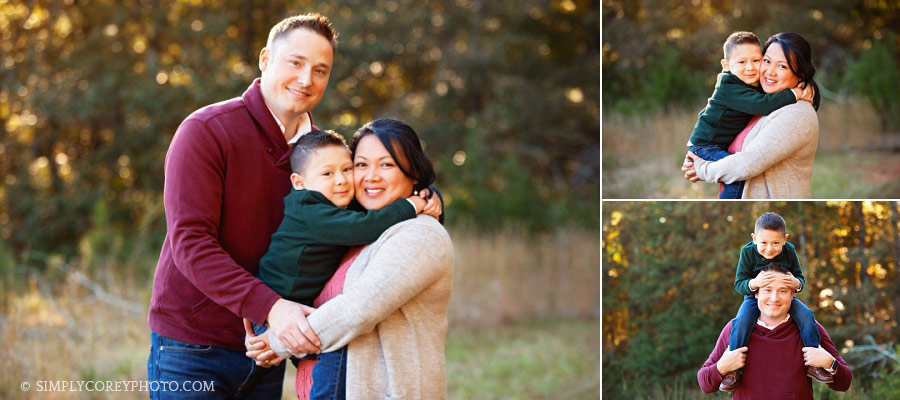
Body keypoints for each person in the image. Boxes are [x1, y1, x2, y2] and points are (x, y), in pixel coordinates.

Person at [147, 14, 339, 399]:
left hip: (268, 350)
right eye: (296, 63)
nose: (306, 80)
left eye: (320, 70)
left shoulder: (322, 154)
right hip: (192, 349)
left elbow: (351, 218)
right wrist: (272, 308)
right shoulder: (206, 130)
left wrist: (422, 199)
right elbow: (191, 244)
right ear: (265, 59)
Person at [246, 119, 455, 399]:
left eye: (387, 164)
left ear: (413, 172)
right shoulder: (350, 224)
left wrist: (276, 342)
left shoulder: (418, 235)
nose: (370, 176)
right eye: (361, 165)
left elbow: (356, 312)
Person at [682, 32, 821, 199]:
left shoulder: (796, 114)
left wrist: (701, 168)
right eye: (767, 61)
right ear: (726, 65)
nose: (770, 71)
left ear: (800, 73)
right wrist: (695, 158)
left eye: (782, 66)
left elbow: (745, 164)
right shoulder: (757, 98)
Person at [698, 263, 852, 399]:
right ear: (756, 293)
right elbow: (705, 383)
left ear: (792, 294)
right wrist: (722, 367)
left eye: (783, 291)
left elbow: (844, 383)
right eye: (767, 290)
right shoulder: (737, 329)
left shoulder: (809, 329)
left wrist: (829, 363)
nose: (774, 298)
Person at [719, 212, 830, 392]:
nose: (769, 249)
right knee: (742, 322)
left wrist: (797, 284)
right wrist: (754, 283)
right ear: (754, 238)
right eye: (763, 243)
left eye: (776, 243)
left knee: (807, 315)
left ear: (785, 240)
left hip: (785, 297)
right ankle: (735, 371)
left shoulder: (790, 251)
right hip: (753, 298)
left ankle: (813, 363)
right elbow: (739, 284)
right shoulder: (746, 252)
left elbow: (800, 277)